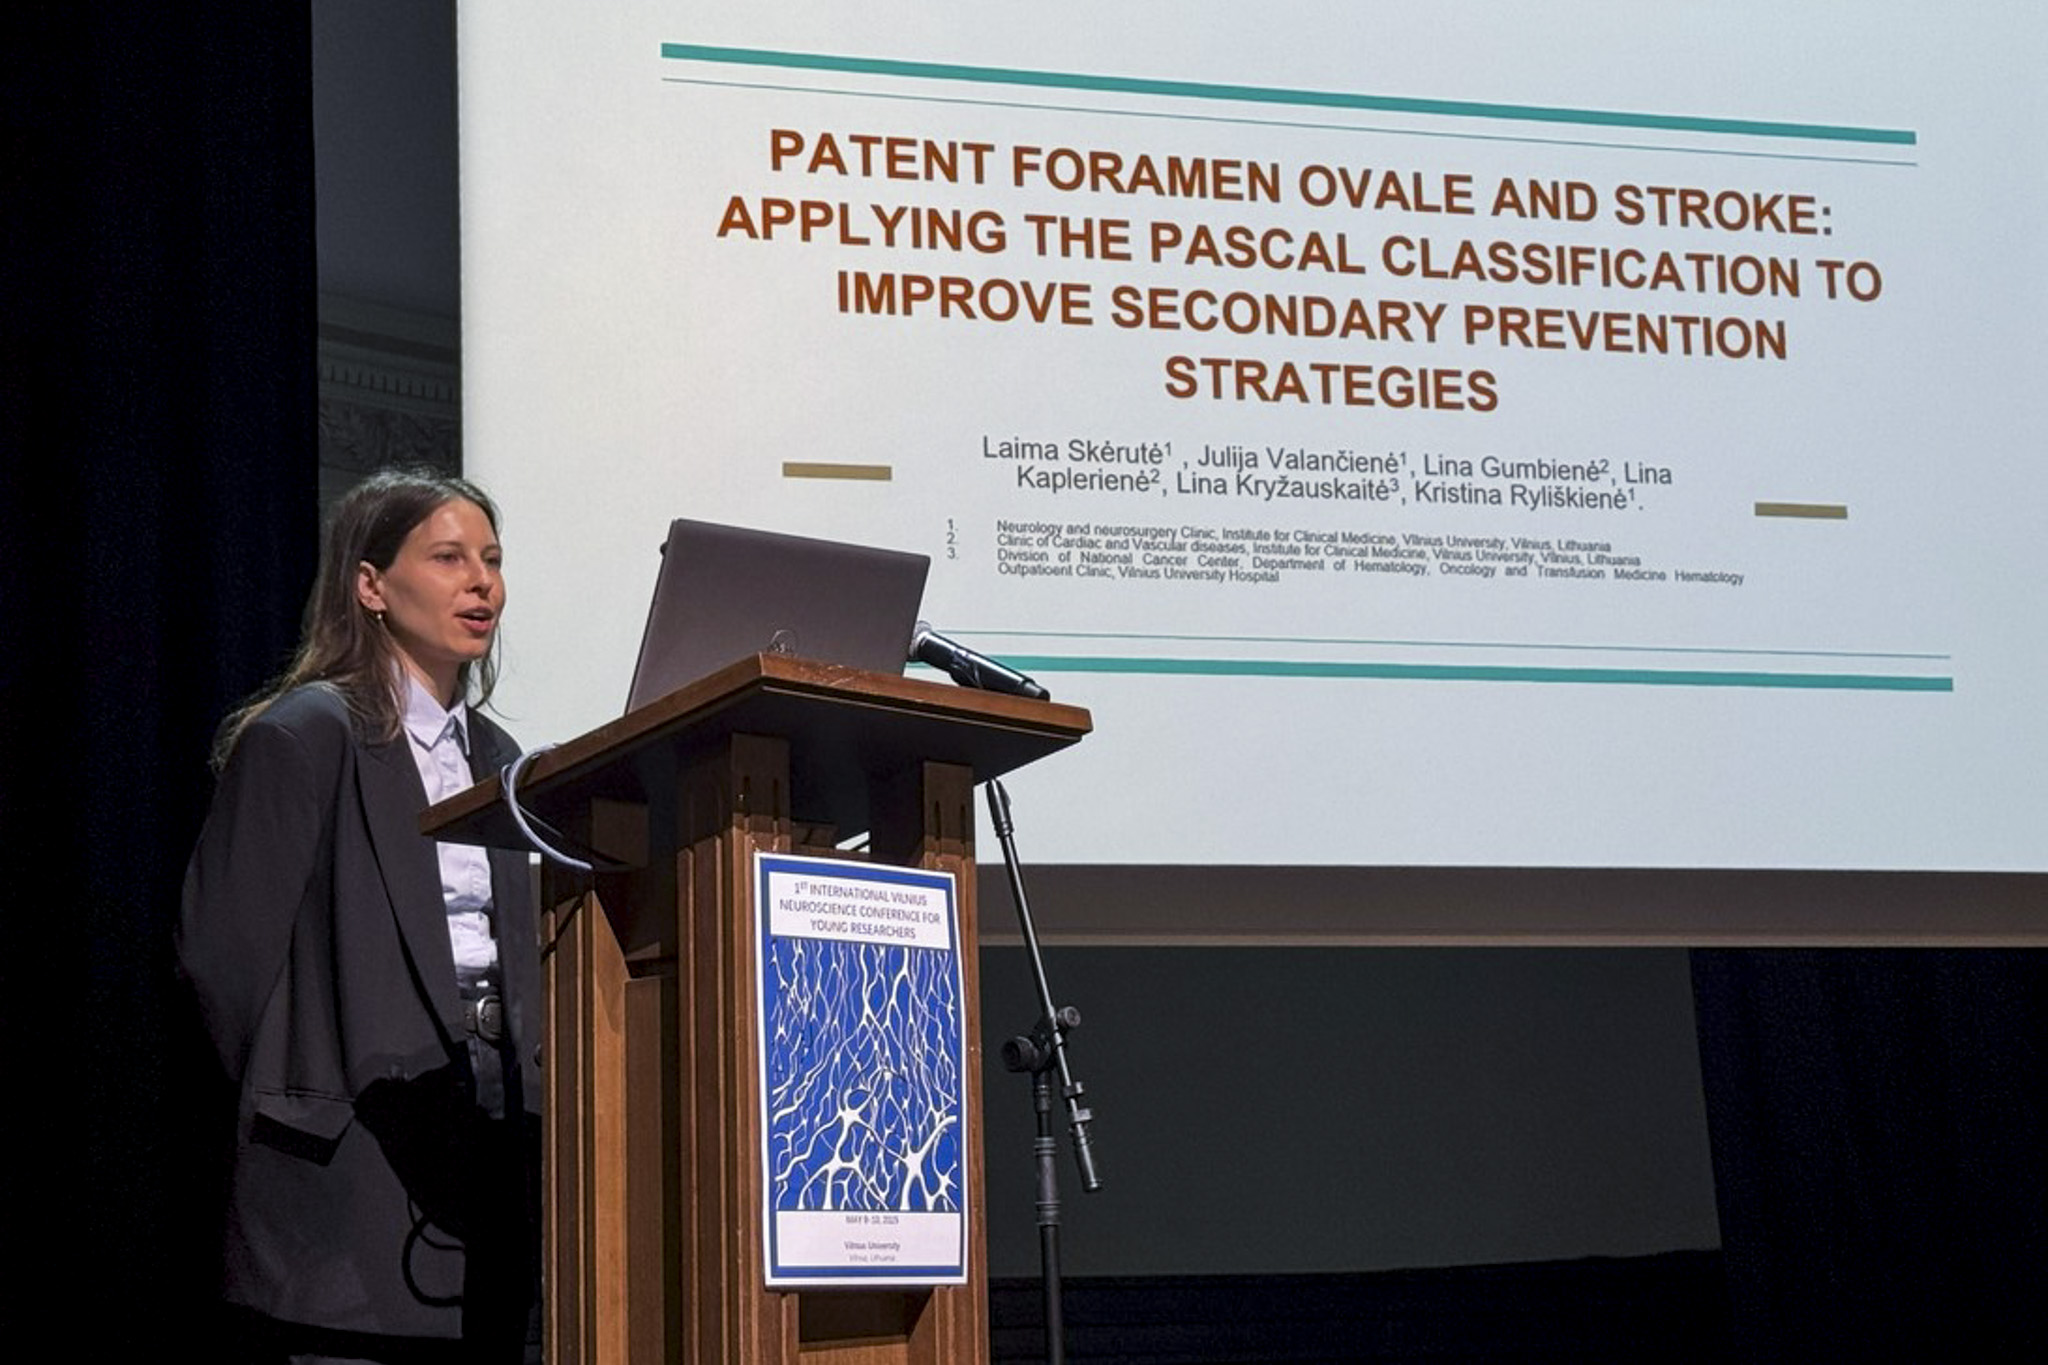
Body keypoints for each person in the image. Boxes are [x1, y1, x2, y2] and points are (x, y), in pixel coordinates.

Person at [179, 468, 541, 1363]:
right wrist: (308, 1098)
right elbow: (222, 964)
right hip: (349, 1179)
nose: (481, 582)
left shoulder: (502, 758)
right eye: (449, 557)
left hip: (493, 1164)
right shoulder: (305, 734)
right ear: (371, 585)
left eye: (492, 560)